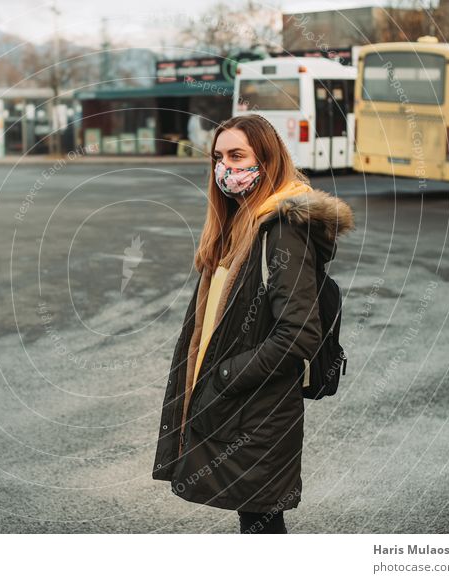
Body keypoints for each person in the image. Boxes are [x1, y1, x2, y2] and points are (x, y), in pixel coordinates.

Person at [151, 114, 355, 533]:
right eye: (219, 157)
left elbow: (298, 332)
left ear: (266, 159)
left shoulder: (281, 228)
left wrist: (226, 376)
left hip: (259, 409)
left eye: (238, 155)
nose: (225, 167)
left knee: (261, 521)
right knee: (258, 519)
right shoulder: (241, 222)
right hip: (244, 407)